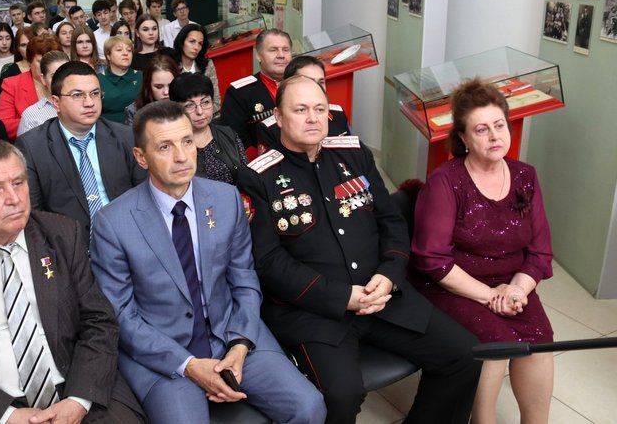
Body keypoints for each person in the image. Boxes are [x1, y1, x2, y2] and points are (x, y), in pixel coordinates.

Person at [237, 76, 481, 424]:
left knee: (464, 354)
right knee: (342, 395)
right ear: (277, 116)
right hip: (315, 313)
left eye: (319, 109)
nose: (313, 118)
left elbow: (391, 222)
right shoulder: (256, 176)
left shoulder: (353, 154)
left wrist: (389, 275)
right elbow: (269, 263)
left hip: (381, 295)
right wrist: (342, 297)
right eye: (300, 110)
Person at [89, 100, 327, 424]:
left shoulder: (225, 198)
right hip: (164, 354)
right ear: (141, 157)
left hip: (231, 333)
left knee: (309, 407)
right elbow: (122, 316)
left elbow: (244, 279)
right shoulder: (113, 222)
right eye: (165, 147)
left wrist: (240, 344)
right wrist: (188, 365)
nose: (181, 156)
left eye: (187, 141)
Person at [0, 140, 146, 423]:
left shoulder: (62, 235)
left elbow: (99, 322)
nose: (14, 198)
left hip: (75, 384)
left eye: (18, 183)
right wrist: (7, 416)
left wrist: (78, 400)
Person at [409, 79, 554, 424]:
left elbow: (539, 252)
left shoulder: (525, 175)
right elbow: (433, 259)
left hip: (510, 282)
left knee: (540, 340)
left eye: (499, 125)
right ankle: (482, 421)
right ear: (463, 138)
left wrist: (516, 290)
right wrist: (490, 296)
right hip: (452, 285)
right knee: (497, 341)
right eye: (481, 129)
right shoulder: (446, 181)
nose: (494, 136)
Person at [16, 61, 145, 236]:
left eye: (95, 93)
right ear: (56, 102)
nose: (89, 102)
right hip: (66, 244)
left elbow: (143, 198)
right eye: (77, 95)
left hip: (126, 236)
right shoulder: (32, 146)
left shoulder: (126, 137)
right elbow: (34, 215)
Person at [256, 55, 350, 153]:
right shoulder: (269, 129)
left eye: (321, 82)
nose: (316, 87)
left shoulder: (338, 114)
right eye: (308, 82)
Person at [221, 29, 292, 151]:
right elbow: (234, 140)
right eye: (273, 50)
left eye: (285, 50)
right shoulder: (239, 93)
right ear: (258, 56)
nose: (281, 55)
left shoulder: (303, 84)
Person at [170, 72, 246, 186]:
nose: (200, 111)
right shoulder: (171, 145)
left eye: (205, 102)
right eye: (189, 105)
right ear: (176, 108)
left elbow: (246, 176)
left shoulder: (228, 134)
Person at [0, 35, 62, 140]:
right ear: (29, 62)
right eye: (41, 61)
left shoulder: (68, 83)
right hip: (27, 143)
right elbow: (3, 125)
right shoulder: (12, 85)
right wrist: (42, 123)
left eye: (51, 62)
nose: (46, 67)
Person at [17, 51, 68, 136]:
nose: (61, 81)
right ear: (43, 79)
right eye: (54, 76)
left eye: (66, 75)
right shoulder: (31, 115)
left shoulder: (85, 105)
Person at [172, 23, 221, 113]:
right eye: (192, 42)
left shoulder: (207, 65)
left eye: (200, 44)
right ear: (182, 42)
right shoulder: (171, 65)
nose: (196, 47)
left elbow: (216, 102)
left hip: (205, 116)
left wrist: (201, 114)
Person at [124, 52, 180, 126]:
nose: (166, 92)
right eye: (159, 87)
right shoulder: (134, 111)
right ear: (148, 86)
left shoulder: (187, 106)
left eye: (171, 85)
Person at [98, 35, 141, 124]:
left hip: (137, 127)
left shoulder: (141, 76)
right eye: (119, 50)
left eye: (129, 50)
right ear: (108, 56)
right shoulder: (98, 80)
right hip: (107, 128)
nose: (125, 53)